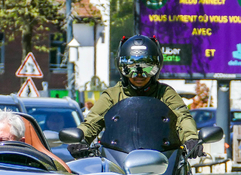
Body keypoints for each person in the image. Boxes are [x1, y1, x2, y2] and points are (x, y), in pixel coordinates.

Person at [68, 35, 200, 159]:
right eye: (130, 69)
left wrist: (191, 139)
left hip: (162, 160)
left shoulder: (166, 93)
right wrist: (80, 139)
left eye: (147, 68)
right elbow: (91, 123)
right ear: (121, 69)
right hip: (120, 161)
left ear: (157, 68)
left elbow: (183, 117)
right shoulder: (112, 95)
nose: (138, 75)